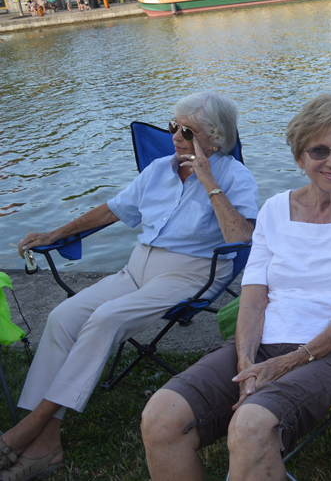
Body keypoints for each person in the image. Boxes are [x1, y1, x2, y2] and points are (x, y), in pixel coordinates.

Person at [142, 93, 331, 480]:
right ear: (299, 158)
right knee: (161, 416)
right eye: (319, 151)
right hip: (266, 340)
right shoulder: (275, 210)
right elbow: (253, 299)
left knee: (251, 426)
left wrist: (290, 361)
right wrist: (246, 362)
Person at [8, 92, 258, 481]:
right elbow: (112, 210)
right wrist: (53, 234)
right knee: (62, 317)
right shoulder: (159, 169)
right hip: (135, 271)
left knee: (105, 318)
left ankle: (32, 425)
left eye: (187, 131)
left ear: (216, 137)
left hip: (189, 277)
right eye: (173, 126)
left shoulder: (235, 177)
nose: (175, 136)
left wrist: (207, 180)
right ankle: (47, 442)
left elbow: (241, 237)